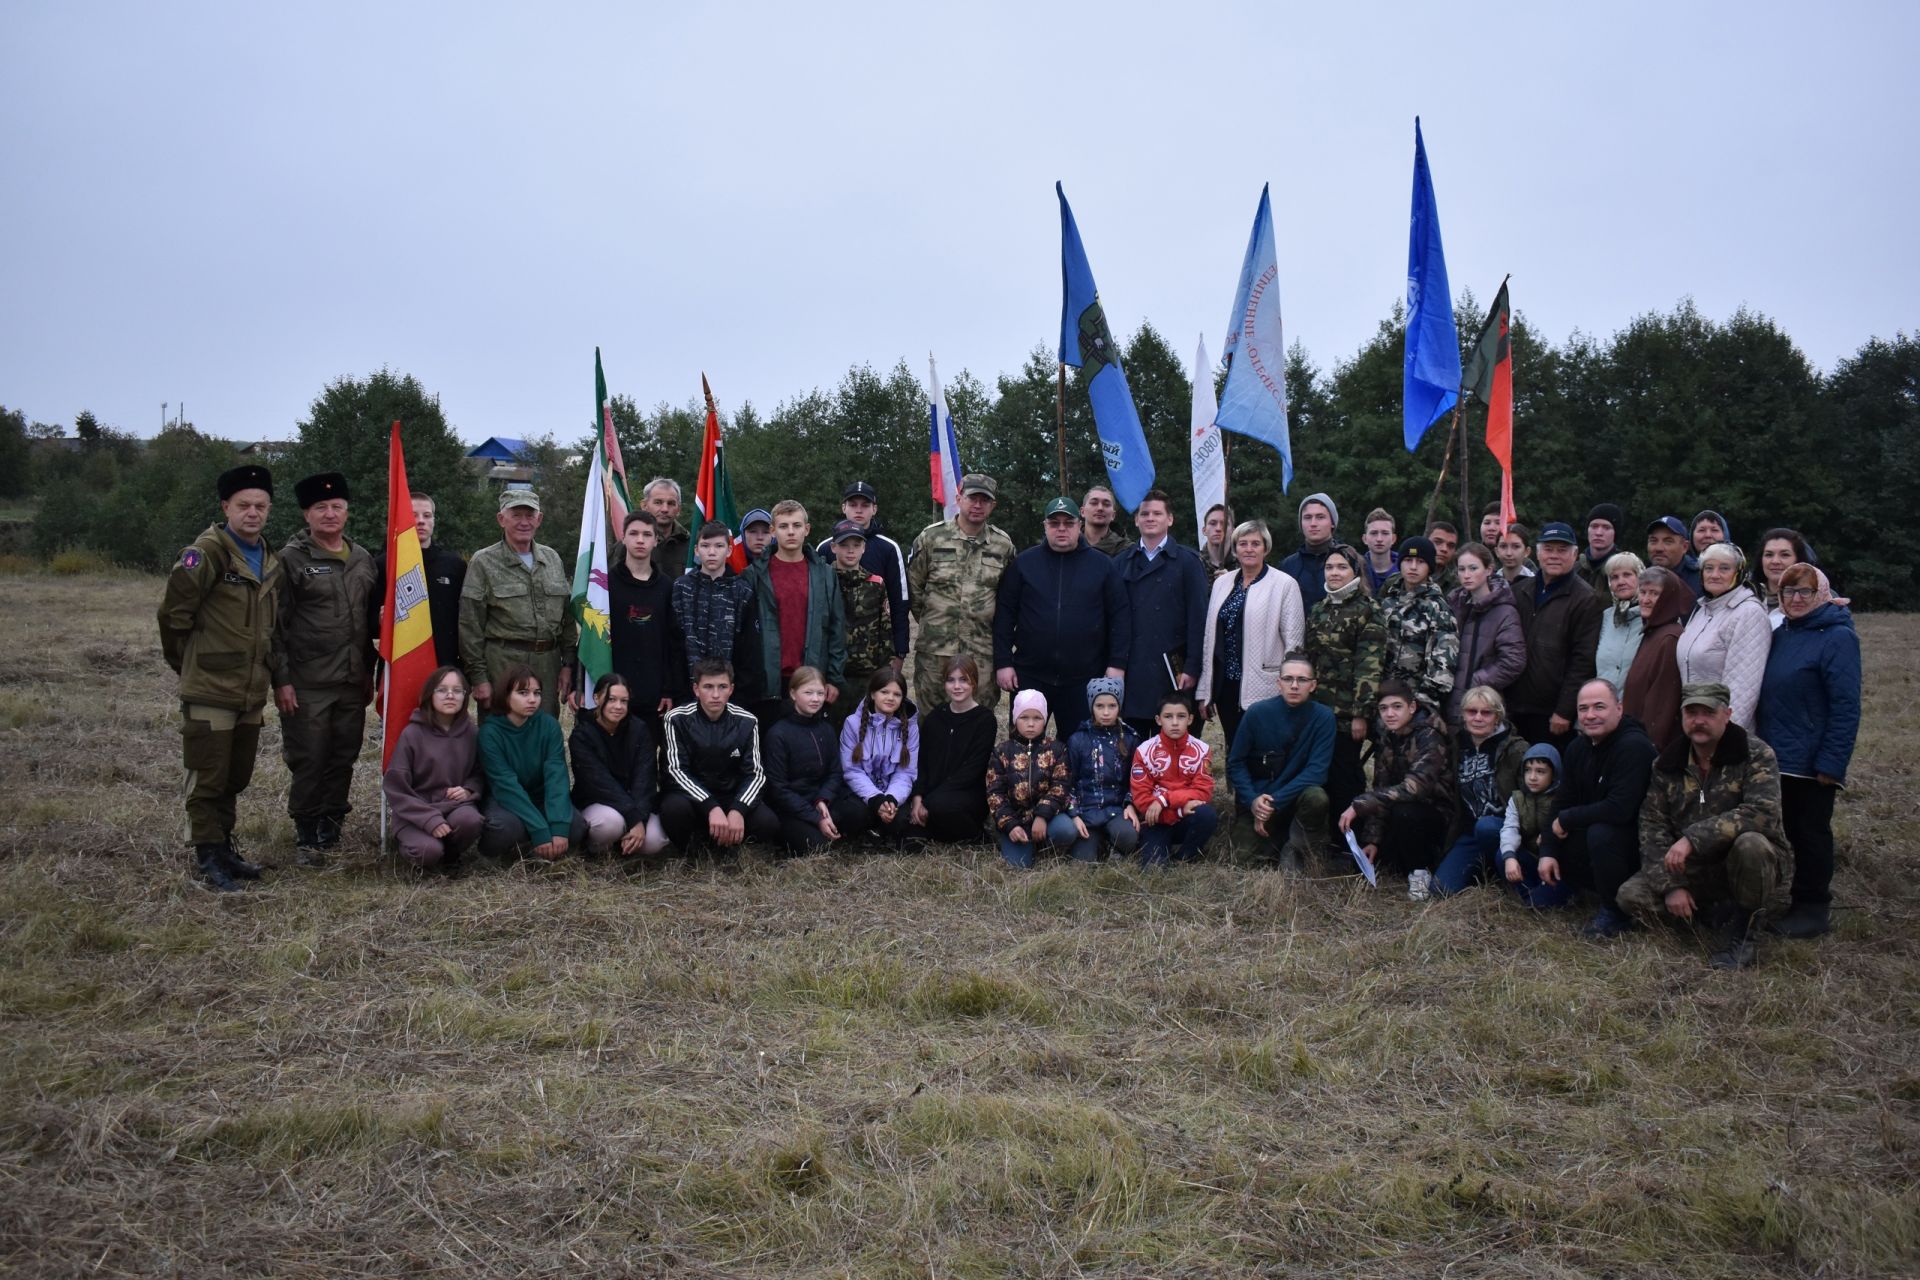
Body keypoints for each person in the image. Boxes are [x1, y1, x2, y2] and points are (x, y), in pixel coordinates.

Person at [157, 464, 282, 891]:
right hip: (211, 686)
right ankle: (207, 854)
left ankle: (225, 847)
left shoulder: (268, 556)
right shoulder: (205, 553)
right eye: (244, 505)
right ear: (226, 506)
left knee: (235, 774)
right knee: (207, 774)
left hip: (250, 689)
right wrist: (190, 665)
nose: (253, 513)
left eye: (260, 506)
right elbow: (174, 618)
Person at [1617, 683, 1793, 969]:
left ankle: (1745, 933)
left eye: (1708, 713)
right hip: (1695, 869)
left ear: (1728, 715)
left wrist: (1692, 839)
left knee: (1751, 844)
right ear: (1682, 716)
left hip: (1743, 862)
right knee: (1629, 896)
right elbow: (1652, 828)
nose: (1699, 720)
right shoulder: (1667, 764)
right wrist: (1672, 886)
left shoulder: (1757, 755)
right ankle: (1709, 913)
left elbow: (1763, 812)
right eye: (1691, 712)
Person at [272, 472, 378, 864]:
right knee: (309, 756)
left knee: (342, 754)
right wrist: (281, 680)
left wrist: (368, 672)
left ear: (347, 512)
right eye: (321, 508)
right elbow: (275, 627)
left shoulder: (362, 558)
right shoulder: (290, 560)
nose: (330, 514)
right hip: (307, 680)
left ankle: (331, 826)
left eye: (337, 507)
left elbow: (369, 622)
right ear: (306, 514)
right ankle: (305, 832)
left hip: (352, 679)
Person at [1757, 564, 1860, 939]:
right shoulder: (1784, 631)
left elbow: (1846, 705)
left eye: (1804, 592)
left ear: (1820, 594)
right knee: (1783, 830)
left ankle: (1812, 907)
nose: (1795, 600)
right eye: (1788, 592)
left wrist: (1832, 762)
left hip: (1810, 760)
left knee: (1810, 832)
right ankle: (1780, 897)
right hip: (1775, 754)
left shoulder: (1836, 637)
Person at [993, 497, 1129, 736]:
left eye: (1068, 522)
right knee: (1024, 748)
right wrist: (1003, 662)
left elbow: (1119, 616)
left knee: (1080, 747)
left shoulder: (1103, 566)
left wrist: (1116, 664)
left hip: (1084, 677)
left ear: (1079, 524)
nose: (1062, 528)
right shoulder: (1024, 563)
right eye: (1055, 523)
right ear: (1045, 526)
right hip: (1031, 674)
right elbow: (1004, 614)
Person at [1537, 678, 1658, 937]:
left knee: (1600, 832)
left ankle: (1616, 913)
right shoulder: (1577, 747)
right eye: (1583, 709)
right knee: (1558, 832)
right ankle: (1574, 889)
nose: (1590, 715)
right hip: (1598, 841)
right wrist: (1547, 850)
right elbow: (1561, 801)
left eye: (1599, 707)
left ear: (1619, 708)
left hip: (1640, 845)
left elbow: (1620, 809)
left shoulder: (1634, 747)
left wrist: (1567, 819)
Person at [460, 488, 576, 716]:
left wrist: (568, 664)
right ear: (501, 519)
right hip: (503, 664)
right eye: (516, 515)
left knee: (543, 734)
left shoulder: (552, 558)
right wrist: (479, 677)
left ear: (539, 519)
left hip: (547, 665)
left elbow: (567, 617)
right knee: (503, 734)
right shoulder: (484, 561)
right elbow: (469, 624)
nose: (524, 522)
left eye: (530, 515)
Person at [907, 472, 1016, 713]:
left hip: (981, 651)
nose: (977, 505)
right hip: (936, 651)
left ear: (993, 505)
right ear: (958, 498)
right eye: (971, 498)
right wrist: (936, 623)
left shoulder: (1003, 545)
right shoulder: (931, 538)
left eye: (984, 500)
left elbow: (1008, 598)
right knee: (931, 719)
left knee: (979, 718)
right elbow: (915, 588)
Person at [1198, 518, 1306, 754]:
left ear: (1266, 548)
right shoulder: (1221, 583)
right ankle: (1238, 789)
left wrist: (1291, 684)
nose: (1248, 549)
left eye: (1255, 543)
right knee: (1234, 746)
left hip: (1266, 684)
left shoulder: (1284, 584)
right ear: (1234, 549)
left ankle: (1264, 791)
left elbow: (1294, 642)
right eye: (1242, 543)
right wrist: (1205, 690)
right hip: (1226, 682)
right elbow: (1210, 639)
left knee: (1263, 749)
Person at [1339, 679, 1454, 899]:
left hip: (1435, 814)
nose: (1390, 714)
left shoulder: (1429, 735)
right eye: (1384, 708)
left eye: (1397, 707)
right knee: (1362, 849)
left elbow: (1416, 788)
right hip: (1398, 809)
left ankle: (1419, 873)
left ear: (1412, 707)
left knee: (1405, 812)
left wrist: (1363, 803)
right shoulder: (1388, 736)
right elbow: (1382, 786)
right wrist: (1373, 839)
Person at [1112, 488, 1209, 739]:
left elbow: (1199, 620)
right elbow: (1112, 618)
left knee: (1171, 747)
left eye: (1157, 513)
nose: (1150, 518)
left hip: (1172, 670)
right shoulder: (1121, 563)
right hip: (1132, 668)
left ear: (1170, 519)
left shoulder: (1189, 562)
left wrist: (1192, 667)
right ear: (1136, 520)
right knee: (1133, 748)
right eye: (1144, 513)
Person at [658, 658, 780, 853]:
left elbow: (756, 774)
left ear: (731, 689)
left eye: (722, 686)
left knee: (767, 822)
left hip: (730, 796)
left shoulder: (747, 721)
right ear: (696, 689)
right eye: (708, 687)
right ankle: (694, 848)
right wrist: (710, 806)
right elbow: (675, 770)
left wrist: (738, 809)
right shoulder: (676, 718)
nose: (715, 694)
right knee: (674, 809)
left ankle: (727, 845)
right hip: (693, 799)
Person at [1304, 544, 1383, 844]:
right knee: (1322, 774)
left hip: (1348, 714)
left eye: (1341, 567)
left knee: (1346, 778)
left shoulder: (1367, 609)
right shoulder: (1320, 609)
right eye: (1329, 567)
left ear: (1355, 572)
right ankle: (1324, 836)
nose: (1334, 573)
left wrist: (1361, 714)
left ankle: (1350, 843)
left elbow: (1369, 667)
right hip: (1318, 711)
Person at [1226, 653, 1333, 871]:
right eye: (1288, 679)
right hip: (1259, 800)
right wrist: (1253, 801)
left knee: (1317, 797)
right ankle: (1276, 840)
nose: (1294, 685)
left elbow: (1317, 772)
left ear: (1313, 685)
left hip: (1293, 799)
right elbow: (1235, 763)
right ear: (1279, 683)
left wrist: (1275, 802)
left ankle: (1298, 847)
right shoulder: (1257, 713)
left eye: (1302, 680)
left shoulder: (1324, 717)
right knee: (1242, 861)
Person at [746, 500, 846, 726]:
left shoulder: (825, 575)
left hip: (811, 679)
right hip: (768, 682)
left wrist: (833, 678)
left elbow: (836, 630)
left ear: (806, 529)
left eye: (796, 525)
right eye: (783, 526)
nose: (790, 532)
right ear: (773, 531)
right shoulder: (753, 575)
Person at [1509, 522, 1603, 750]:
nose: (1554, 556)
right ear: (1538, 553)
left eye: (1562, 550)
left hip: (1552, 714)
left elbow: (1583, 660)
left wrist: (1564, 710)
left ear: (1574, 555)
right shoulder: (1519, 591)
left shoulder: (1585, 598)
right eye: (1549, 549)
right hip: (1512, 706)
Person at [382, 665, 485, 870]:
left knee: (471, 820)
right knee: (427, 852)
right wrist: (430, 820)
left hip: (454, 807)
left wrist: (469, 789)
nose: (450, 695)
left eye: (457, 691)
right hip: (416, 811)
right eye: (442, 689)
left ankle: (451, 855)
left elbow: (480, 772)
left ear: (465, 696)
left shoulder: (472, 733)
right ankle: (419, 846)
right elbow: (396, 788)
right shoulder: (412, 734)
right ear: (430, 694)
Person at [477, 664, 584, 861]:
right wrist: (540, 828)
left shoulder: (549, 725)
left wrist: (559, 825)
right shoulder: (490, 732)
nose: (532, 700)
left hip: (540, 796)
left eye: (537, 693)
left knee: (575, 827)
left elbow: (556, 775)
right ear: (506, 694)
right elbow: (505, 785)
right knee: (503, 829)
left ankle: (534, 847)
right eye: (523, 693)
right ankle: (518, 849)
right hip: (506, 800)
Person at [1434, 685, 1529, 895]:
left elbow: (1531, 797)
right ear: (1463, 715)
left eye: (1486, 712)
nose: (1478, 718)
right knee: (1441, 890)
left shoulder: (1516, 749)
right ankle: (1482, 868)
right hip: (1470, 832)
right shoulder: (1457, 746)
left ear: (1497, 717)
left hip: (1505, 830)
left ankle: (1502, 867)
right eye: (1471, 711)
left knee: (1486, 827)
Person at [568, 672, 669, 860]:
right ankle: (597, 851)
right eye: (611, 699)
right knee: (609, 824)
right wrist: (634, 819)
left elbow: (645, 778)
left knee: (655, 840)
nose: (618, 706)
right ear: (596, 698)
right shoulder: (582, 735)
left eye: (624, 701)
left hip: (635, 801)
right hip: (597, 802)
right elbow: (598, 783)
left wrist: (639, 817)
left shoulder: (639, 730)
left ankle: (626, 846)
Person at [813, 481, 910, 671]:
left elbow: (900, 603)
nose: (859, 510)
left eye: (865, 505)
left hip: (873, 654)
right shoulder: (825, 548)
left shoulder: (888, 548)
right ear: (843, 508)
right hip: (832, 655)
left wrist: (900, 652)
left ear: (874, 509)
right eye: (853, 505)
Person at [1675, 542, 1771, 730]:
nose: (1715, 574)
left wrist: (1724, 736)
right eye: (1708, 568)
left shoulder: (1749, 613)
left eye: (1724, 568)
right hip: (1696, 727)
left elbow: (1743, 690)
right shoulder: (1702, 610)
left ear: (1739, 572)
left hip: (1722, 733)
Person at [606, 510, 679, 748]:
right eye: (633, 533)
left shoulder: (667, 586)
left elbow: (671, 641)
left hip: (652, 691)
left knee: (646, 758)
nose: (640, 540)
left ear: (656, 540)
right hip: (614, 689)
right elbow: (593, 635)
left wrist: (668, 689)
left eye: (647, 534)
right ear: (623, 538)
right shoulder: (606, 584)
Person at [369, 491, 465, 671]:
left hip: (443, 663)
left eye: (427, 515)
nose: (421, 521)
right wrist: (379, 620)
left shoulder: (454, 565)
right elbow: (369, 620)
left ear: (434, 520)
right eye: (413, 515)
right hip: (400, 666)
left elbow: (465, 618)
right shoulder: (384, 564)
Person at [906, 656, 996, 844]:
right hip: (933, 792)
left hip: (967, 793)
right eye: (951, 680)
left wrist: (929, 801)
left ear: (974, 683)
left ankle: (976, 837)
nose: (957, 686)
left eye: (963, 680)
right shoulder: (935, 717)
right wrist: (917, 798)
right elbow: (923, 763)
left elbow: (973, 769)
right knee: (908, 834)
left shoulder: (985, 720)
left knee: (941, 807)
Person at [761, 667, 848, 854]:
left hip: (820, 801)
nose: (815, 699)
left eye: (820, 693)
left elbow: (835, 771)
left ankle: (826, 826)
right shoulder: (778, 734)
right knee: (816, 847)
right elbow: (778, 787)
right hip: (791, 807)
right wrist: (815, 817)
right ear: (793, 693)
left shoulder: (826, 728)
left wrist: (822, 799)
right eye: (808, 693)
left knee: (857, 813)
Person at [671, 520, 760, 699]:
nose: (711, 552)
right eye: (705, 546)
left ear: (729, 550)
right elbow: (673, 640)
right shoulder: (682, 587)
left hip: (730, 693)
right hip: (687, 691)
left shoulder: (742, 590)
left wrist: (739, 691)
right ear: (696, 550)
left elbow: (749, 647)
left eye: (719, 546)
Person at [987, 689, 1074, 868]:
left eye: (1037, 718)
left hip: (1048, 818)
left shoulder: (1057, 750)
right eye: (1024, 718)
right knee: (1018, 866)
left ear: (1045, 720)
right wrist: (1009, 824)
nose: (1031, 724)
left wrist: (1042, 816)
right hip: (1015, 819)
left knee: (1066, 830)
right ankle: (1015, 839)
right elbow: (995, 793)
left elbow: (1061, 786)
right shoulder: (1002, 751)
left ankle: (1045, 843)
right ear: (1014, 719)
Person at [1060, 677, 1142, 863]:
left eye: (1112, 706)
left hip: (1116, 809)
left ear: (1119, 706)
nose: (1106, 712)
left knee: (1129, 838)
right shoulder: (1078, 740)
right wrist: (1073, 814)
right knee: (1082, 863)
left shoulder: (1130, 739)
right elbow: (1068, 781)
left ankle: (1114, 841)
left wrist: (1130, 804)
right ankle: (1098, 843)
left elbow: (1136, 778)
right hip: (1086, 810)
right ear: (1091, 707)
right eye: (1100, 706)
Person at [1131, 693, 1219, 866]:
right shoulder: (1144, 751)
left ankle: (1184, 857)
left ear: (1191, 719)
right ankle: (1158, 848)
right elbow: (1142, 799)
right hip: (1155, 820)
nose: (1175, 723)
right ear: (1158, 720)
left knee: (1206, 815)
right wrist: (1177, 811)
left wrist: (1164, 800)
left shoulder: (1202, 750)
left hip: (1185, 818)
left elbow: (1203, 791)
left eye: (1181, 716)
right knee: (1154, 869)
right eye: (1168, 717)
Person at [833, 668, 919, 845]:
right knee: (854, 815)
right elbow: (851, 770)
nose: (890, 698)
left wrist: (891, 799)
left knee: (901, 822)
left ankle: (882, 827)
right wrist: (875, 799)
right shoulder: (852, 723)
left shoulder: (911, 728)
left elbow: (906, 773)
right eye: (884, 692)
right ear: (873, 694)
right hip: (861, 793)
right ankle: (868, 829)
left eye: (897, 694)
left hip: (892, 792)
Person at [1377, 536, 1459, 721]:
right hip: (1384, 703)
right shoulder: (1387, 604)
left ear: (1429, 566)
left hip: (1418, 707)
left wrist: (1420, 705)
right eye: (1408, 560)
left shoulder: (1438, 608)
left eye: (1420, 562)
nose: (1413, 567)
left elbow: (1443, 667)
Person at [1444, 540, 1523, 725]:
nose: (1466, 575)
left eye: (1473, 568)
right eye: (1461, 569)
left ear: (1489, 570)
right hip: (1451, 701)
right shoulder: (1453, 605)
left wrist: (1477, 680)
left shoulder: (1505, 611)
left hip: (1484, 703)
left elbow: (1514, 660)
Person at [1622, 565, 1695, 754]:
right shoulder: (1653, 632)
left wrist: (1647, 748)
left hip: (1650, 748)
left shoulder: (1669, 639)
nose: (1645, 600)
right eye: (1643, 592)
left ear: (1668, 598)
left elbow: (1662, 704)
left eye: (1654, 593)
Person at [827, 519, 893, 718]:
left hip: (867, 675)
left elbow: (885, 629)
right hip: (833, 675)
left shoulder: (875, 583)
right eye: (844, 545)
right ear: (833, 547)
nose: (850, 551)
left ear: (864, 548)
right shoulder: (823, 580)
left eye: (856, 545)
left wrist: (883, 672)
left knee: (863, 730)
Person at [1499, 743, 1567, 908]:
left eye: (1541, 771)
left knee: (1545, 901)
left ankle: (1549, 894)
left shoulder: (1562, 798)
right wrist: (1509, 857)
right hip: (1531, 858)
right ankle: (1527, 894)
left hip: (1557, 863)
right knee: (1502, 855)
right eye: (1528, 770)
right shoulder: (1517, 798)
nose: (1532, 777)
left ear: (1554, 774)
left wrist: (1549, 839)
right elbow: (1510, 828)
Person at [1593, 551, 1648, 694]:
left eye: (1627, 575)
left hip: (1637, 707)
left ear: (1640, 577)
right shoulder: (1607, 617)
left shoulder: (1653, 616)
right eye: (1614, 577)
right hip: (1605, 705)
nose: (1621, 582)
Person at [1279, 492, 1339, 608]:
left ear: (1332, 523)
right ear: (1301, 524)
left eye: (1320, 517)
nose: (1313, 524)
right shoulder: (1288, 566)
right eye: (1307, 517)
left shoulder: (1350, 562)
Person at [1757, 528, 1814, 627]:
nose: (1775, 561)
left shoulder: (1819, 598)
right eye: (1769, 555)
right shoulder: (1746, 598)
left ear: (1798, 559)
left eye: (1785, 555)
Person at [642, 477, 689, 577]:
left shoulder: (692, 546)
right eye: (658, 502)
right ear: (644, 506)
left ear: (679, 509)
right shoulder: (630, 545)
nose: (665, 509)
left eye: (671, 503)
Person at [1645, 516, 1702, 596]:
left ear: (1684, 547)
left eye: (1668, 542)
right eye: (1653, 541)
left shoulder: (1701, 580)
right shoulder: (1641, 578)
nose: (1659, 548)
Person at [1578, 502, 1626, 592]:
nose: (1598, 533)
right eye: (1594, 526)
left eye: (1606, 527)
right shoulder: (1574, 570)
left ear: (1615, 533)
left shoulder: (1625, 570)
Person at [1080, 484, 1128, 557]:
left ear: (1113, 515)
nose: (1100, 508)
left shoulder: (1126, 550)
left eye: (1106, 504)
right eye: (1094, 503)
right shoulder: (1068, 544)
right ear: (1082, 512)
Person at [1360, 507, 1399, 593]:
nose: (1379, 539)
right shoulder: (1356, 571)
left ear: (1393, 539)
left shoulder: (1405, 570)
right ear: (1364, 539)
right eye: (1373, 533)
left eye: (1385, 533)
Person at [1494, 522, 1537, 588]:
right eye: (1503, 546)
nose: (1509, 553)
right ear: (1497, 551)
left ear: (1527, 551)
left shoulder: (1536, 585)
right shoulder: (1490, 586)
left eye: (1516, 546)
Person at [1200, 503, 1235, 580]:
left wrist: (1232, 583)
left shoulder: (1244, 565)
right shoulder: (1194, 564)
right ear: (1204, 530)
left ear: (1233, 531)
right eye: (1213, 523)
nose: (1218, 528)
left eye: (1224, 524)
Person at [1424, 521, 1460, 586]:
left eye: (1451, 545)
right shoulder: (1403, 578)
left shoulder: (1458, 586)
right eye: (1437, 542)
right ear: (1424, 542)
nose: (1444, 549)